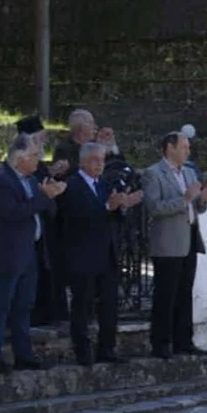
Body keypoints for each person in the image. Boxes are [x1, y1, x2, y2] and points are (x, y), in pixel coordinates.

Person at [0, 134, 65, 373]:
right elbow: (14, 212)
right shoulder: (1, 181)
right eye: (33, 156)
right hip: (9, 252)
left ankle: (23, 353)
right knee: (1, 305)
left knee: (24, 305)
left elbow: (45, 211)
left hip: (29, 251)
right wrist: (44, 197)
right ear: (19, 159)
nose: (37, 160)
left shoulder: (31, 180)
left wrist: (51, 195)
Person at [58, 143, 143, 366]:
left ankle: (107, 347)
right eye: (95, 160)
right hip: (83, 254)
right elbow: (76, 217)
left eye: (102, 160)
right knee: (82, 305)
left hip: (107, 254)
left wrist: (123, 206)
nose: (100, 164)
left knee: (109, 304)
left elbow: (114, 215)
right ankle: (83, 351)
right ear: (83, 161)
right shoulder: (72, 185)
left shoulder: (104, 184)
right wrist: (107, 207)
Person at [141, 131, 207, 360]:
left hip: (190, 239)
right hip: (168, 242)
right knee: (166, 295)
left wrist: (203, 199)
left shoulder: (189, 172)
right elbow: (155, 207)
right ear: (169, 148)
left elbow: (197, 208)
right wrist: (185, 199)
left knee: (185, 293)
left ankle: (184, 340)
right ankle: (161, 343)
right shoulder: (153, 174)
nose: (188, 151)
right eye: (184, 147)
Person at [16, 115, 71, 328]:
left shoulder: (37, 165)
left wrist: (51, 174)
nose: (43, 144)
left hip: (44, 228)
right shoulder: (18, 166)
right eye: (39, 139)